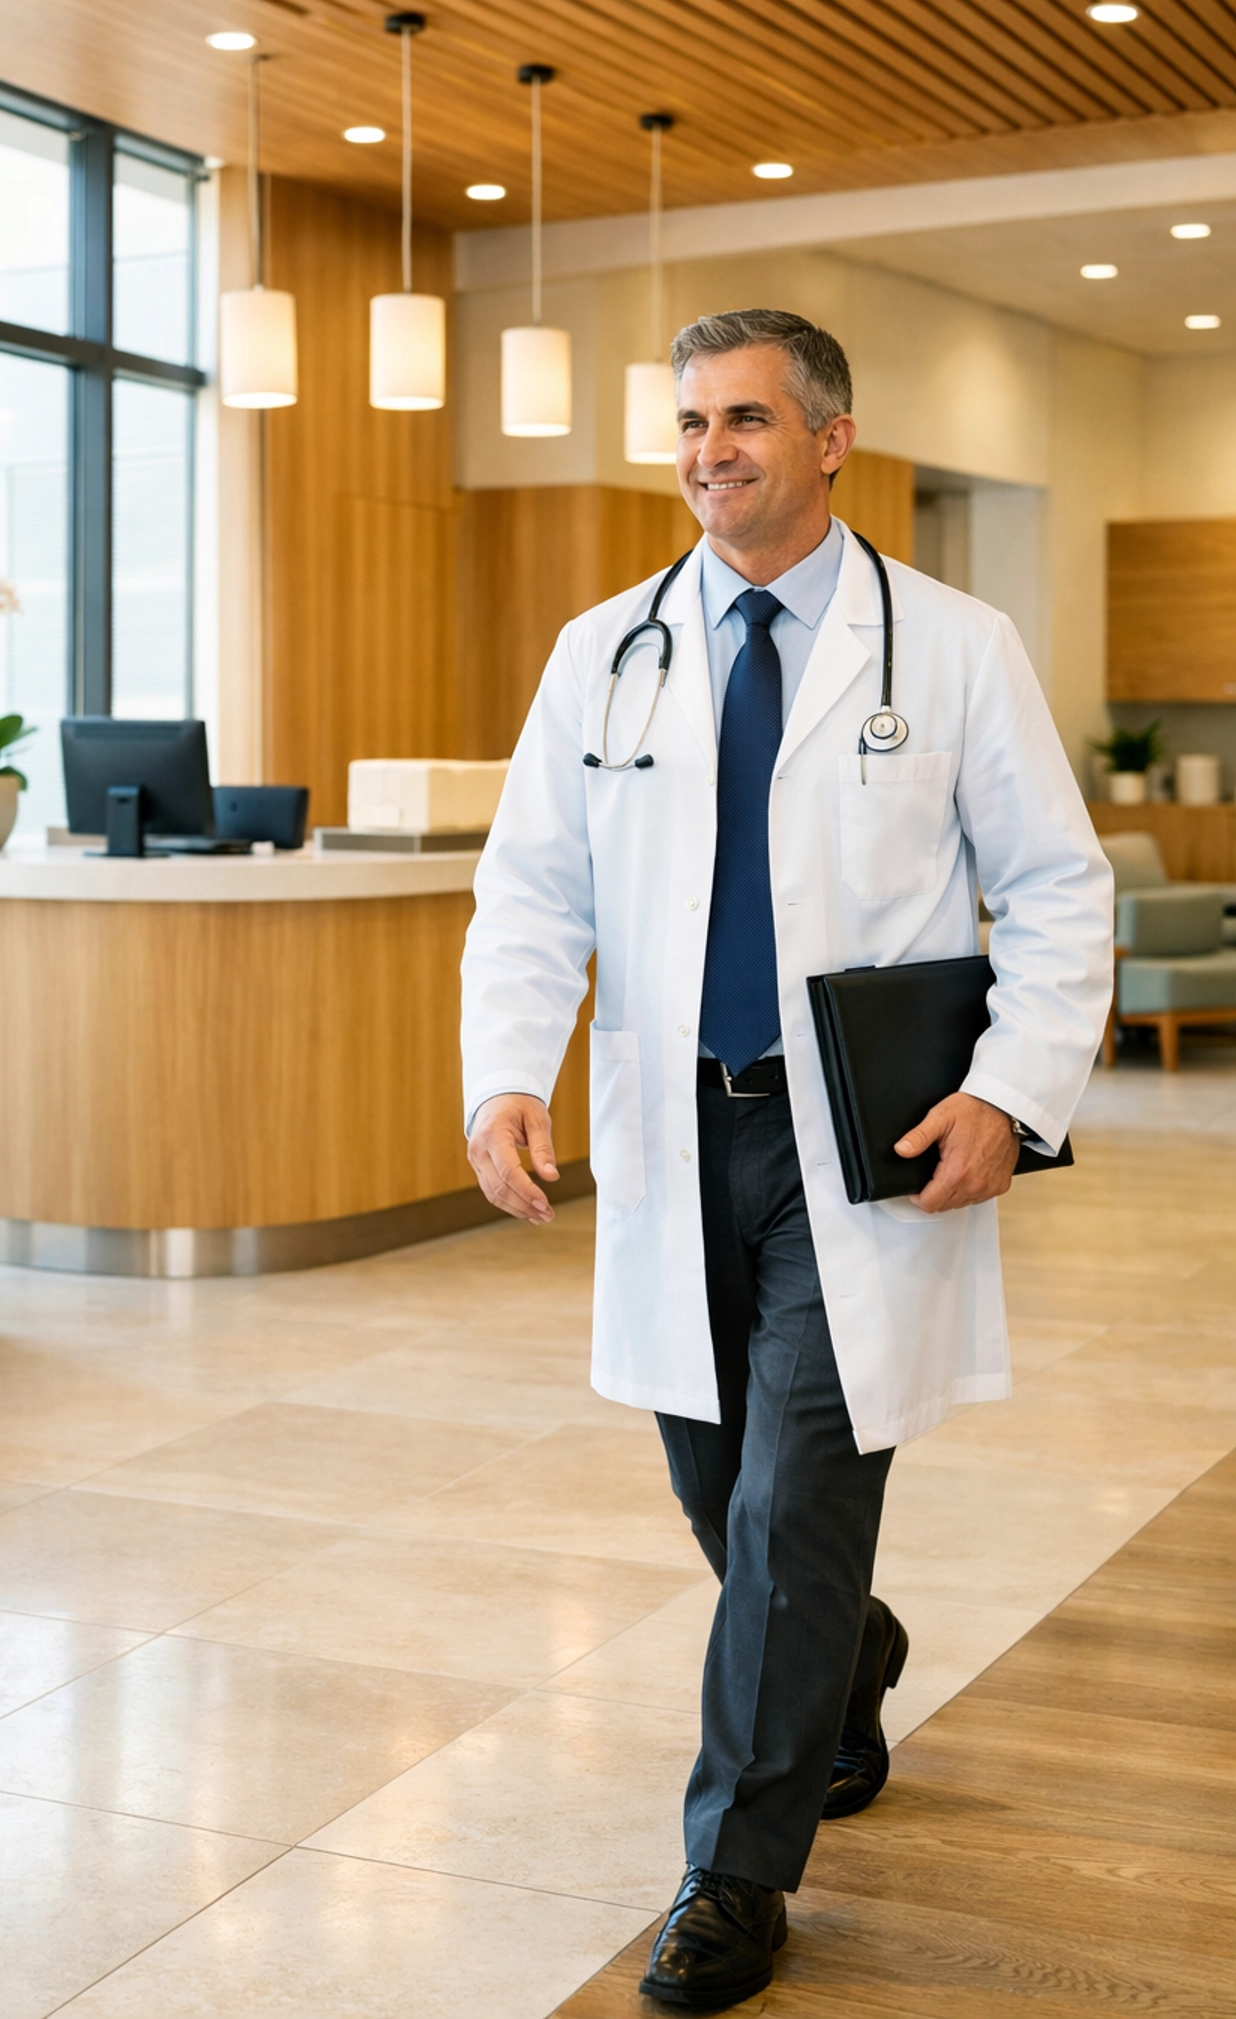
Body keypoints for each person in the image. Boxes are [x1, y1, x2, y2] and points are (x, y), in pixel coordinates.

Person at [461, 309, 1113, 2011]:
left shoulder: (954, 648)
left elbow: (1058, 888)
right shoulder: (606, 651)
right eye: (689, 422)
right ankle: (849, 1655)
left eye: (744, 418)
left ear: (831, 438)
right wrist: (501, 1079)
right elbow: (531, 893)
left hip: (859, 1144)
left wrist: (1014, 1087)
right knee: (715, 1479)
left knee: (794, 1496)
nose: (708, 450)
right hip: (677, 1139)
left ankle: (731, 1876)